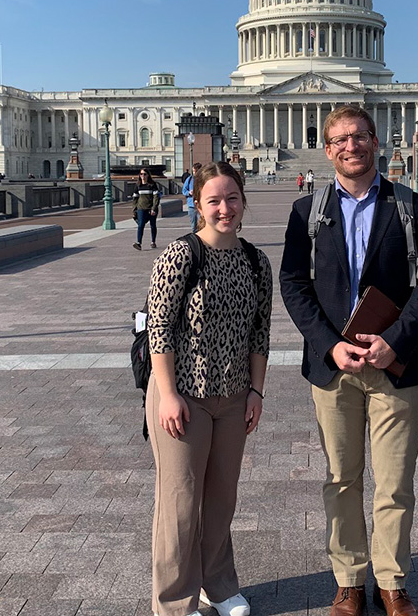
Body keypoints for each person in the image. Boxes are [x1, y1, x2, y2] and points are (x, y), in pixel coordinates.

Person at [279, 106, 418, 616]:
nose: (351, 146)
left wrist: (396, 339)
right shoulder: (307, 212)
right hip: (335, 367)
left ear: (377, 142)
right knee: (341, 477)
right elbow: (293, 284)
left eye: (360, 136)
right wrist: (329, 344)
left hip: (395, 364)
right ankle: (349, 580)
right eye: (340, 140)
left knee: (395, 481)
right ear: (327, 150)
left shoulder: (413, 207)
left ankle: (391, 581)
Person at [146, 161, 272, 616]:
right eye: (214, 200)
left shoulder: (257, 262)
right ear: (197, 204)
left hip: (234, 396)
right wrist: (167, 394)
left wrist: (256, 393)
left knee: (221, 500)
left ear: (243, 201)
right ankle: (174, 602)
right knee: (180, 504)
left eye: (232, 198)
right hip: (182, 395)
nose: (224, 208)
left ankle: (217, 586)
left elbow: (261, 332)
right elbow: (158, 325)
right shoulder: (181, 255)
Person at [133, 168, 162, 250]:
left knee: (153, 225)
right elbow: (135, 198)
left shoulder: (152, 185)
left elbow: (156, 197)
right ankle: (138, 243)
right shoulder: (138, 185)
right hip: (141, 208)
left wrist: (154, 208)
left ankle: (153, 241)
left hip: (151, 208)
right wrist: (134, 210)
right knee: (141, 225)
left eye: (145, 174)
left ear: (148, 175)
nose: (143, 176)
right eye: (141, 174)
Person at [182, 162, 202, 232]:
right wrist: (189, 193)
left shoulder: (203, 179)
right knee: (193, 225)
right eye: (193, 171)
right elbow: (184, 190)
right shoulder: (189, 179)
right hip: (192, 205)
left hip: (201, 205)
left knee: (201, 224)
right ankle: (195, 238)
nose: (194, 173)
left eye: (196, 171)